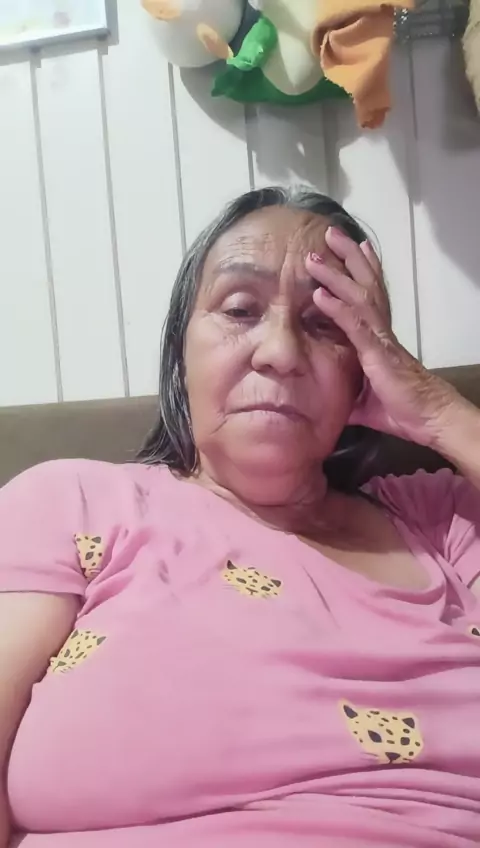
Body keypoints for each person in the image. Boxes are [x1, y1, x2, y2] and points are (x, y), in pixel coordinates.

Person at [1, 186, 480, 848]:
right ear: (182, 355)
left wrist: (438, 410)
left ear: (365, 371)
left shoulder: (444, 521)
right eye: (239, 309)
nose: (280, 351)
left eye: (323, 323)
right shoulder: (74, 503)